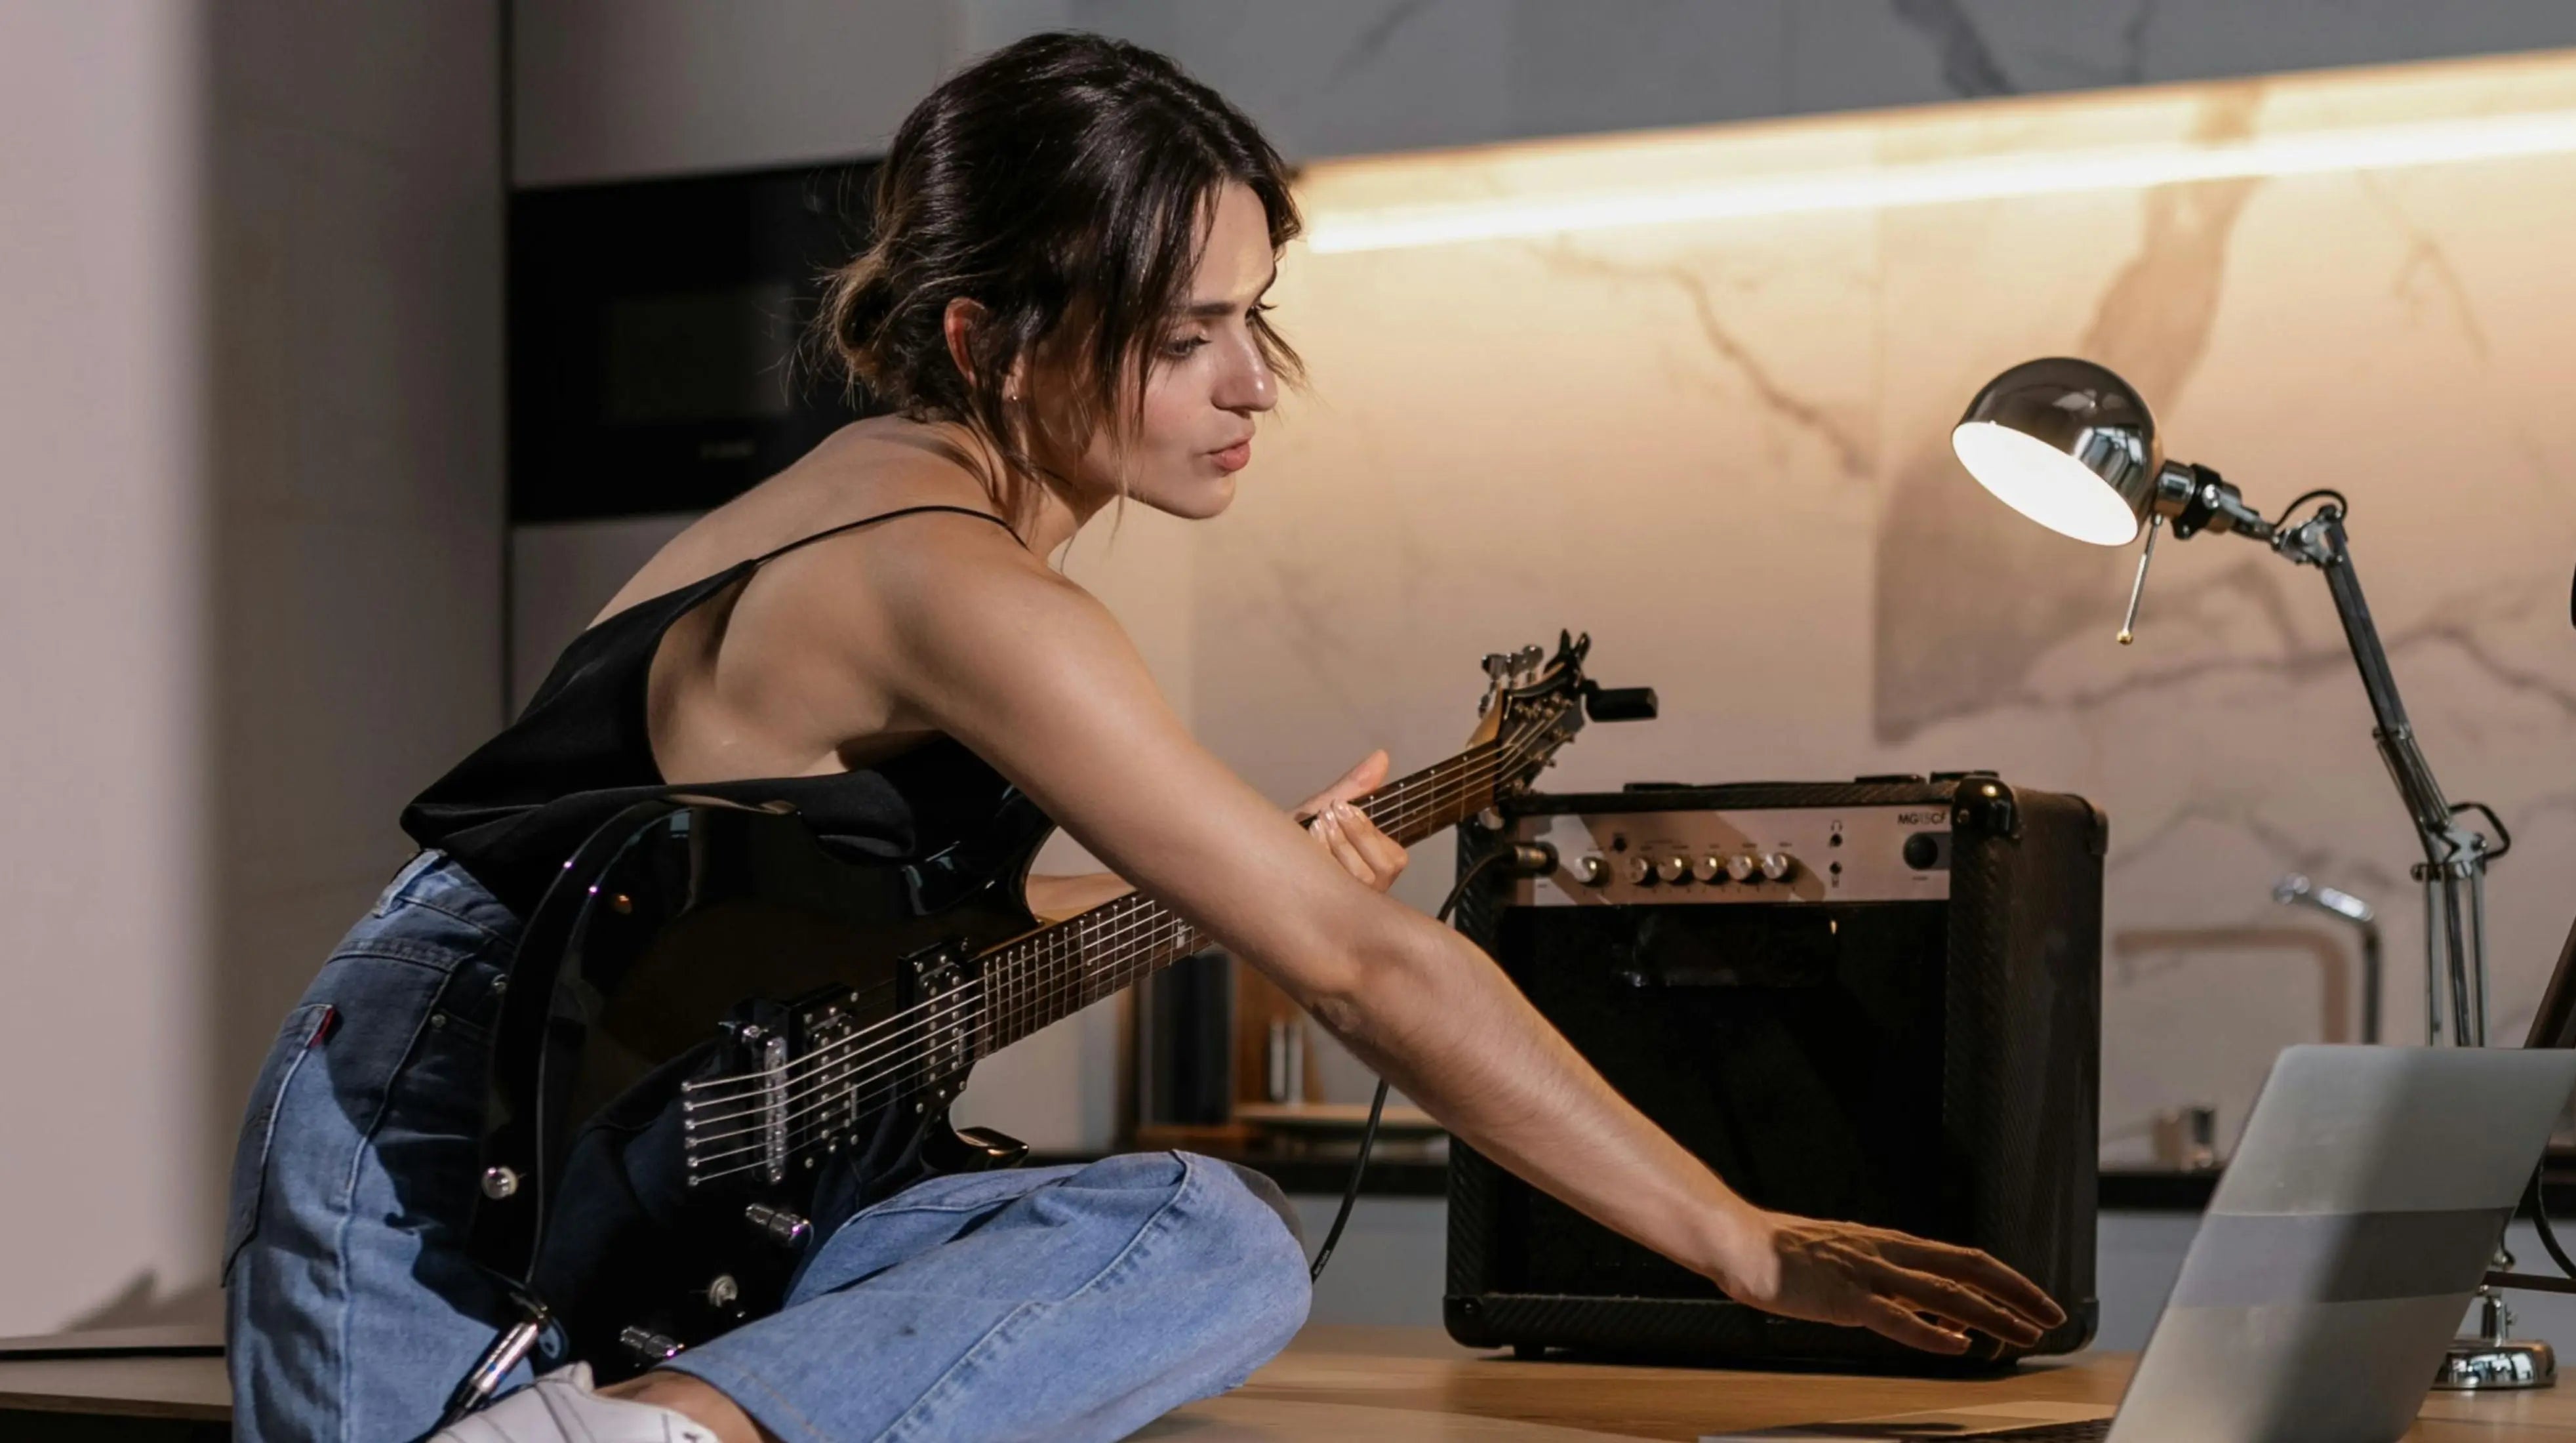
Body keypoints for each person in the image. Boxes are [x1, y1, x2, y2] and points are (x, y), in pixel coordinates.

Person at [221, 31, 2064, 1443]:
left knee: (1207, 1232)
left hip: (653, 1111)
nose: (1255, 382)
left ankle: (654, 1437)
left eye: (1257, 317)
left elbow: (829, 924)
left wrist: (1235, 875)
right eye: (1189, 335)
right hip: (455, 1111)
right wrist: (1745, 1241)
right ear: (996, 339)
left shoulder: (906, 518)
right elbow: (1358, 968)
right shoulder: (957, 582)